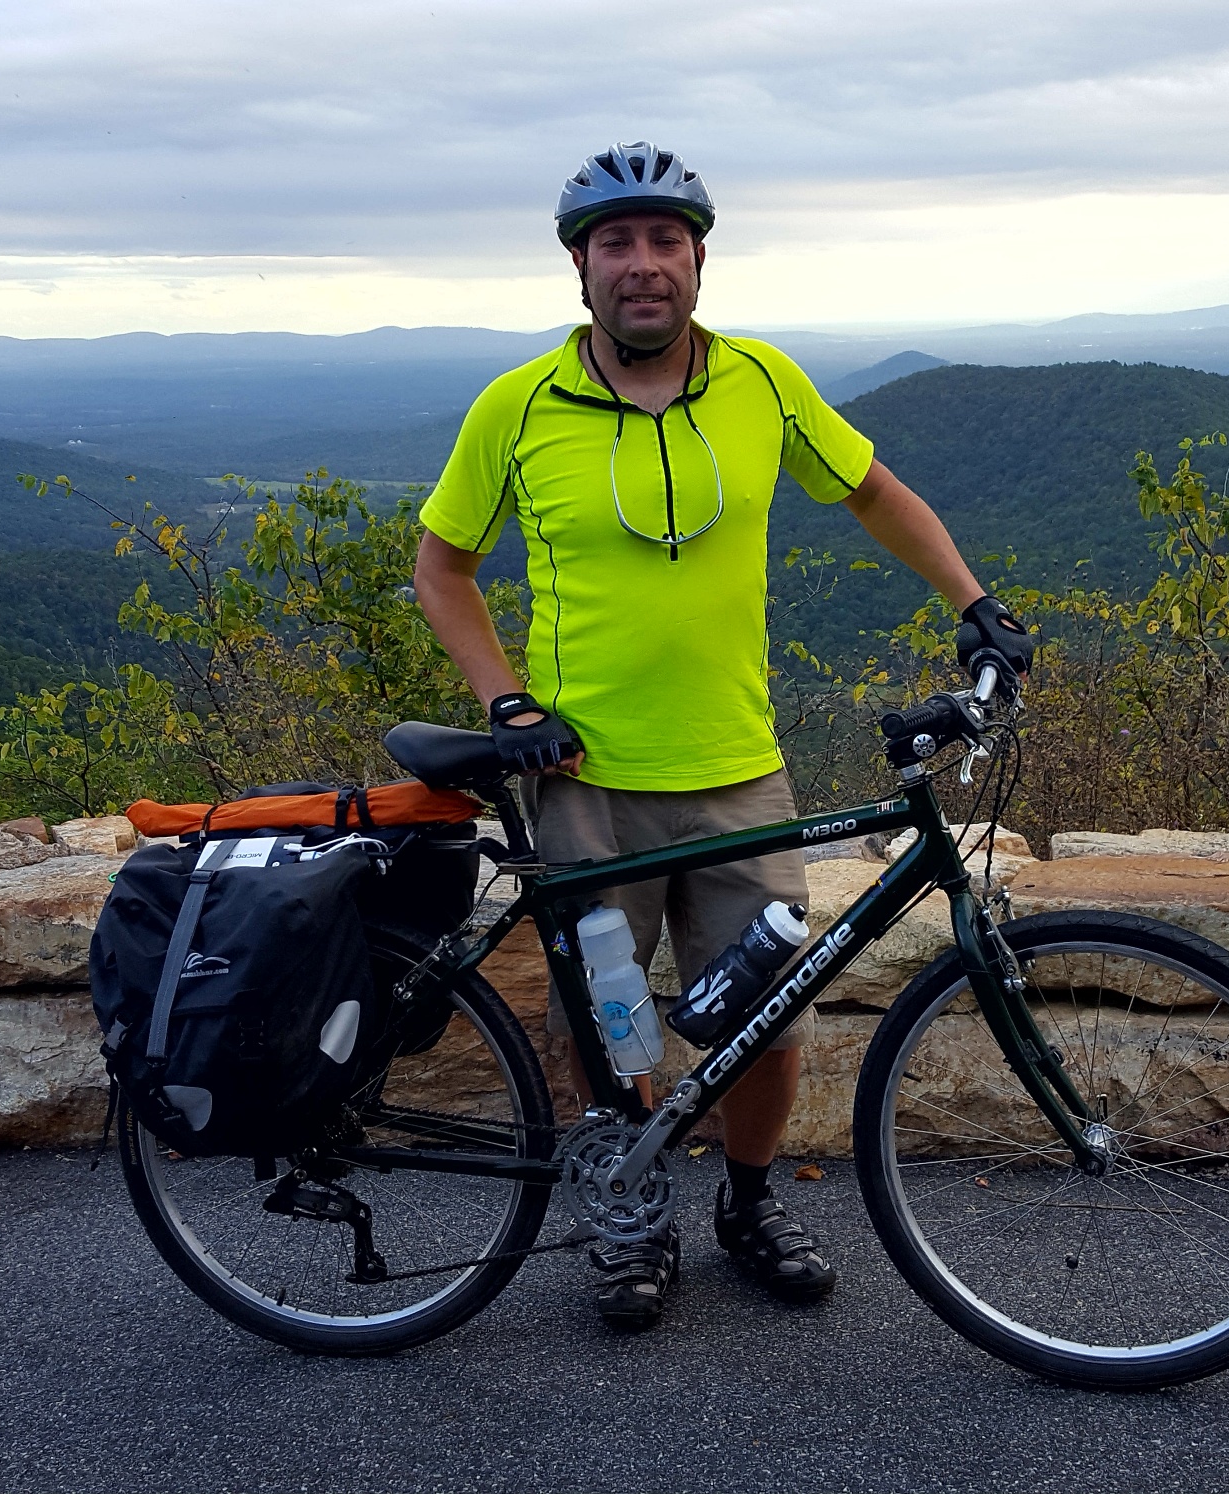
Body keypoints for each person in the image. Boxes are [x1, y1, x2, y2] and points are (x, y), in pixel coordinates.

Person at [411, 141, 1034, 1332]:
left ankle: (748, 1202)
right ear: (580, 269)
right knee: (607, 1018)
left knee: (774, 1016)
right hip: (579, 777)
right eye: (615, 244)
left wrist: (971, 603)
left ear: (697, 259)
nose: (641, 265)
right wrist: (505, 699)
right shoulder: (518, 407)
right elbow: (442, 570)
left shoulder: (760, 381)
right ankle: (633, 1207)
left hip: (739, 765)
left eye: (664, 242)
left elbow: (871, 490)